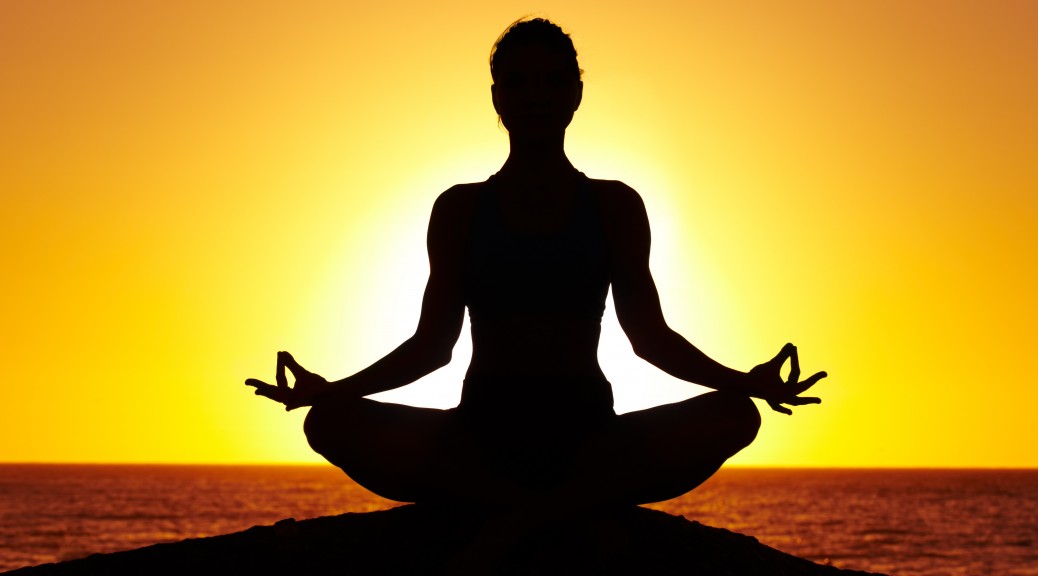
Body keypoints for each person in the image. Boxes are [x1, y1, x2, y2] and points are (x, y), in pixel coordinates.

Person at [246, 15, 824, 559]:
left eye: (551, 82)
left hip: (588, 435)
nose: (535, 96)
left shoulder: (614, 205)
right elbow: (433, 346)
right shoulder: (460, 209)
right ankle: (557, 511)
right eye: (519, 83)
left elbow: (649, 337)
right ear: (498, 97)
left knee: (737, 414)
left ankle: (512, 518)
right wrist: (334, 391)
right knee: (326, 423)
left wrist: (745, 381)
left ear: (575, 93)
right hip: (477, 435)